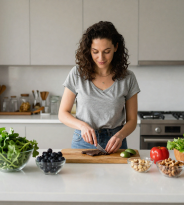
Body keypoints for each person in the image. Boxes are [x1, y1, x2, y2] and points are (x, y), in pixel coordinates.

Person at [58, 21, 140, 154]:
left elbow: (132, 120)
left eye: (106, 51)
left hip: (115, 142)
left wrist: (120, 135)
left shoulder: (128, 78)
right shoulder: (77, 73)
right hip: (83, 141)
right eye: (95, 51)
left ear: (116, 47)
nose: (100, 58)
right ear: (88, 49)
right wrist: (82, 126)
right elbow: (62, 113)